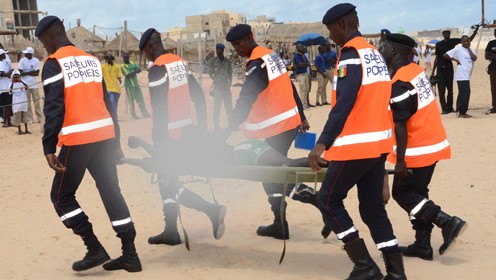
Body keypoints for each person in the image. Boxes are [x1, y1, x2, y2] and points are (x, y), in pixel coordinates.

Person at [35, 16, 141, 273]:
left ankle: (93, 247)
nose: (44, 48)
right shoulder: (92, 61)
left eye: (42, 42)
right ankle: (130, 254)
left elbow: (54, 108)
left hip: (78, 138)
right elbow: (107, 104)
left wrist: (49, 146)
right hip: (104, 135)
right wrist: (115, 139)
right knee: (110, 190)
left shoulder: (54, 63)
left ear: (50, 36)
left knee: (60, 196)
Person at [309, 4, 407, 279]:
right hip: (377, 145)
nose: (330, 36)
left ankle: (365, 266)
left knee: (328, 201)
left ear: (341, 25)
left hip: (356, 146)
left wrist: (322, 143)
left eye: (330, 30)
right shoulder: (373, 53)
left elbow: (344, 104)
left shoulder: (351, 54)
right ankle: (396, 273)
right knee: (372, 208)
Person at [382, 33, 467, 261]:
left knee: (402, 193)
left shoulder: (400, 83)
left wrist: (400, 160)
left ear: (394, 51)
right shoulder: (416, 72)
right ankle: (422, 245)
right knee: (418, 193)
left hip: (415, 149)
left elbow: (400, 124)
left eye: (384, 46)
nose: (381, 50)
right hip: (433, 144)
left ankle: (446, 221)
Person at [139, 28, 226, 246]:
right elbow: (198, 97)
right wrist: (202, 129)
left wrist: (157, 141)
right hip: (186, 132)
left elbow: (160, 110)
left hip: (168, 137)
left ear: (150, 46)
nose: (146, 58)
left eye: (144, 53)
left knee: (166, 181)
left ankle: (210, 210)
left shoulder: (158, 69)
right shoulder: (179, 63)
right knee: (167, 181)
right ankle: (171, 230)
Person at [225, 24, 312, 240]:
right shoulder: (270, 56)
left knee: (273, 173)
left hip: (280, 127)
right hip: (287, 124)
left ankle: (312, 202)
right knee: (272, 174)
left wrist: (227, 128)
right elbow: (289, 87)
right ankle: (280, 222)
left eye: (239, 43)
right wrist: (300, 115)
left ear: (250, 37)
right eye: (234, 46)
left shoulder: (257, 63)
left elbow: (246, 98)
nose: (237, 49)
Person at [431, 27, 479, 114]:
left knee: (450, 90)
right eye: (444, 33)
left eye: (447, 33)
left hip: (449, 68)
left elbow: (468, 40)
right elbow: (437, 58)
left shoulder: (453, 41)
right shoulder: (438, 44)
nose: (446, 34)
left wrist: (475, 31)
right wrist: (432, 72)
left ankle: (450, 108)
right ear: (443, 34)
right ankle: (444, 109)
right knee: (441, 90)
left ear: (449, 34)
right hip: (440, 68)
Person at [444, 35, 477, 118]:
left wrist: (468, 48)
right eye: (464, 41)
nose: (466, 43)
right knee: (465, 93)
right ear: (461, 42)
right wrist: (455, 60)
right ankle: (462, 112)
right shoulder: (458, 49)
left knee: (462, 93)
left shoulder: (472, 50)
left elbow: (474, 58)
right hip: (461, 75)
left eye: (467, 41)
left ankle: (459, 111)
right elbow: (445, 55)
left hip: (467, 75)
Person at [206, 43, 233, 130]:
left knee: (228, 106)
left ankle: (230, 125)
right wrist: (216, 80)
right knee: (217, 107)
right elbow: (210, 73)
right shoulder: (212, 61)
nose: (218, 51)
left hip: (226, 87)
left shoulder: (228, 62)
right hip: (217, 88)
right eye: (217, 49)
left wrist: (230, 83)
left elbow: (230, 74)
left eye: (220, 50)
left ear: (223, 50)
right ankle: (216, 126)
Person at [120, 52, 150, 119]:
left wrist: (132, 71)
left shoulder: (133, 63)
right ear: (123, 58)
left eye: (127, 57)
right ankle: (133, 115)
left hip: (136, 84)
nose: (126, 58)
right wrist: (134, 71)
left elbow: (140, 70)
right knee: (131, 101)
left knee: (140, 99)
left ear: (129, 57)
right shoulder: (123, 66)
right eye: (124, 57)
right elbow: (129, 75)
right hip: (129, 86)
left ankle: (145, 113)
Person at [18, 46, 41, 123]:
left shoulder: (36, 61)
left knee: (37, 102)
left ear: (30, 54)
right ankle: (30, 118)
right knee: (27, 102)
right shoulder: (22, 61)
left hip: (34, 84)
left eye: (26, 54)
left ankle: (39, 118)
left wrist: (26, 72)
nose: (25, 55)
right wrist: (31, 72)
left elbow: (37, 73)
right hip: (25, 84)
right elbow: (21, 73)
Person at [9, 70, 30, 134]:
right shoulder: (11, 83)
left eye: (17, 76)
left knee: (25, 116)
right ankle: (19, 130)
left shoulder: (23, 82)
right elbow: (10, 91)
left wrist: (20, 80)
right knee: (17, 117)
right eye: (14, 76)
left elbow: (26, 87)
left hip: (23, 102)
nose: (16, 78)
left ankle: (26, 129)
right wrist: (13, 81)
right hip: (16, 103)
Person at [102, 52, 122, 117]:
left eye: (109, 58)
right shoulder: (103, 66)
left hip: (116, 89)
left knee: (115, 104)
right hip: (108, 88)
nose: (108, 60)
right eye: (107, 59)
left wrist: (119, 79)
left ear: (112, 59)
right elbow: (100, 75)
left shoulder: (116, 66)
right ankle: (112, 116)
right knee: (111, 102)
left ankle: (115, 116)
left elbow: (119, 75)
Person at [293, 43, 312, 108]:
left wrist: (305, 64)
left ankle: (305, 104)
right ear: (297, 48)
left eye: (302, 47)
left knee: (306, 89)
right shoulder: (296, 56)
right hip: (300, 74)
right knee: (302, 90)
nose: (302, 48)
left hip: (305, 73)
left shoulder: (303, 55)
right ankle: (302, 105)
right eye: (300, 47)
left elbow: (307, 64)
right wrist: (305, 64)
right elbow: (300, 64)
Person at [0, 49, 13, 127]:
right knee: (6, 105)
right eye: (4, 54)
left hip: (6, 86)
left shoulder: (2, 63)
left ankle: (8, 121)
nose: (5, 55)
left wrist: (9, 72)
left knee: (8, 105)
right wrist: (10, 72)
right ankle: (5, 122)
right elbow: (3, 74)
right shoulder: (0, 63)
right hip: (3, 87)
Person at [485, 28, 496, 114]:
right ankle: (494, 106)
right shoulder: (491, 43)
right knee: (494, 88)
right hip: (493, 68)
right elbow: (486, 56)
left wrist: (493, 55)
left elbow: (490, 55)